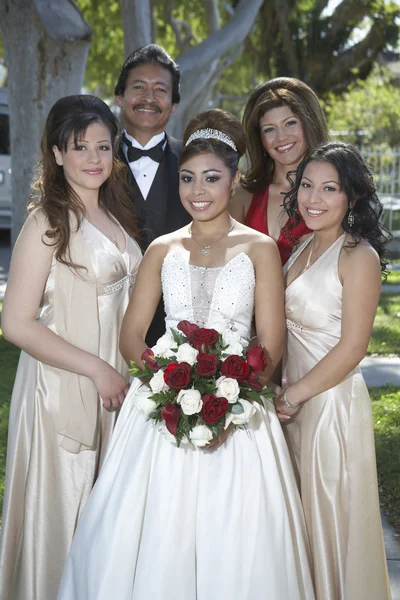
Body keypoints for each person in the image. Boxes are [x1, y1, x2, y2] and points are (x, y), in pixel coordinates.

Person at [58, 109, 315, 600]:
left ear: (234, 180)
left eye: (212, 178)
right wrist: (166, 385)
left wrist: (236, 390)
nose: (198, 190)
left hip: (240, 411)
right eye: (188, 178)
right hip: (161, 410)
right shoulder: (160, 248)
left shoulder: (260, 248)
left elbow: (271, 342)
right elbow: (133, 335)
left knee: (237, 538)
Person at [0, 95, 142, 600]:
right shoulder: (47, 223)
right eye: (80, 146)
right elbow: (15, 324)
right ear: (57, 154)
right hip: (63, 391)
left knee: (107, 518)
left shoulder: (114, 213)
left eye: (103, 146)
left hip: (116, 389)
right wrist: (96, 370)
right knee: (64, 515)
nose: (94, 158)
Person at [274, 141, 391, 599]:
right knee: (299, 517)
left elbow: (353, 347)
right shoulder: (300, 245)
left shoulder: (358, 256)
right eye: (306, 185)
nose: (314, 198)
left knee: (332, 518)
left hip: (329, 407)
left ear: (352, 198)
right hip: (294, 403)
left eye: (329, 188)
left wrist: (293, 395)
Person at [115, 43, 191, 345]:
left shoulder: (195, 164)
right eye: (139, 87)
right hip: (106, 322)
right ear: (120, 97)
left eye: (160, 90)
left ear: (173, 104)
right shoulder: (94, 162)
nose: (149, 98)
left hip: (178, 331)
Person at [230, 77, 329, 265]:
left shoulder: (337, 192)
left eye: (290, 123)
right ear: (259, 138)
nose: (281, 137)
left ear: (310, 123)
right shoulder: (243, 195)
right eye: (269, 129)